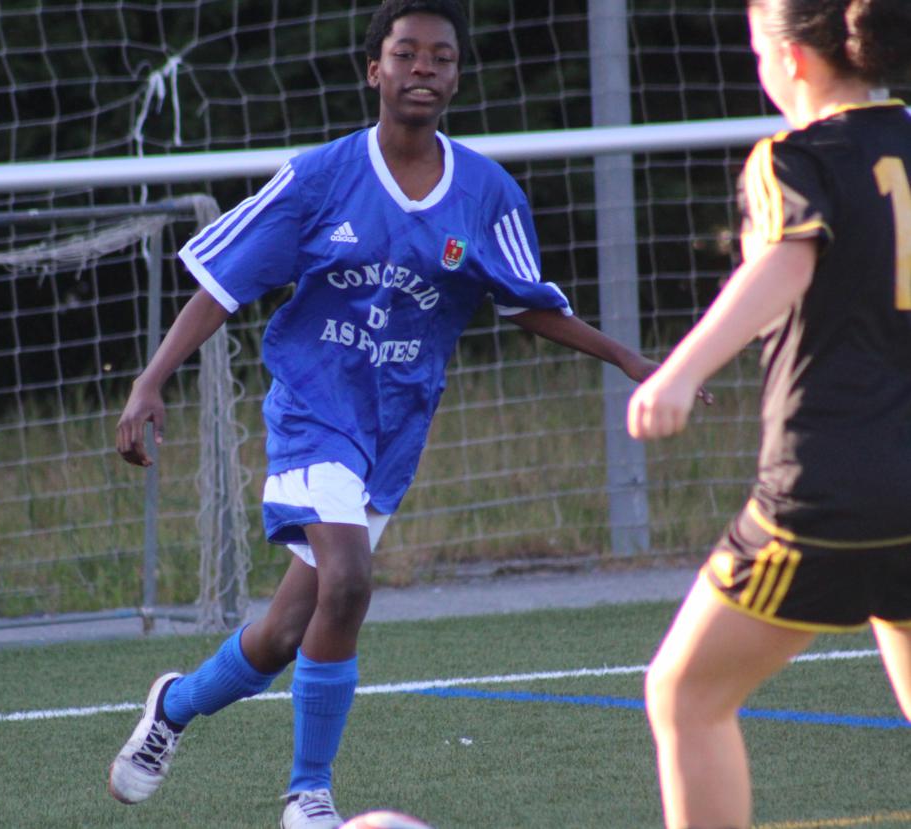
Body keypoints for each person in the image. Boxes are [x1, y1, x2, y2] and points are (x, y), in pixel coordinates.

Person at [109, 1, 659, 826]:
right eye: (406, 54)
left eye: (441, 56)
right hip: (312, 407)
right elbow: (222, 285)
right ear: (375, 70)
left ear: (458, 76)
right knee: (351, 579)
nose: (423, 68)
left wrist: (625, 357)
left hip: (393, 427)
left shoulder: (487, 194)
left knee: (287, 629)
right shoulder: (320, 177)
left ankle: (173, 706)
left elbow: (525, 304)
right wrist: (149, 381)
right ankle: (308, 794)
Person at [626, 1, 911, 827]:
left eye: (757, 53)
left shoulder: (794, 156)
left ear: (793, 60)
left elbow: (787, 260)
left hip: (829, 489)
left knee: (684, 693)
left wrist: (679, 372)